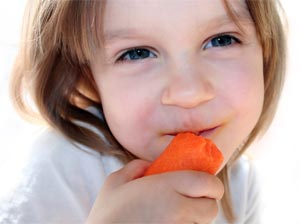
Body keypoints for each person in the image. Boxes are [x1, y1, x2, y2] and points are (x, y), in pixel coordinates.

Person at [0, 0, 286, 223]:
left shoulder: (240, 184)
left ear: (266, 49)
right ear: (86, 80)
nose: (189, 93)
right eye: (137, 53)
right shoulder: (62, 169)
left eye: (222, 40)